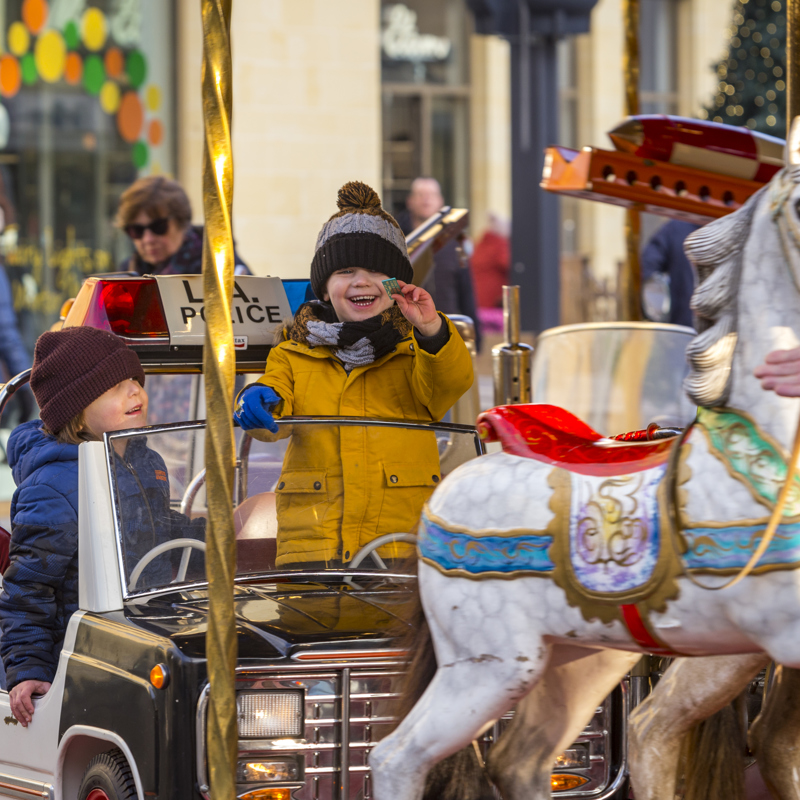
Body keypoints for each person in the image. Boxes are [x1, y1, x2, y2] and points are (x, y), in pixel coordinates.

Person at [234, 181, 473, 567]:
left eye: (376, 270)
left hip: (399, 546)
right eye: (345, 270)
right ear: (325, 289)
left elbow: (449, 385)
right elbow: (273, 415)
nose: (361, 281)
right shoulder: (293, 352)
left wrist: (432, 330)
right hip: (313, 549)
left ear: (397, 284)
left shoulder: (413, 347)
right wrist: (260, 398)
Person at [0, 326, 203, 726]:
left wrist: (213, 539)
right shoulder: (54, 486)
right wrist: (30, 668)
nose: (135, 393)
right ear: (77, 411)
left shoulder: (146, 462)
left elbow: (158, 532)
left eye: (135, 381)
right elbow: (29, 587)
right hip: (82, 653)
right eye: (115, 387)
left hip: (146, 631)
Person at [398, 177, 481, 349]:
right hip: (406, 335)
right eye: (420, 194)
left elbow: (466, 291)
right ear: (410, 201)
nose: (426, 199)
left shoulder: (454, 245)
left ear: (440, 202)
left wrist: (476, 337)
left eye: (432, 195)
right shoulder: (397, 241)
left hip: (447, 332)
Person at [116, 176, 250, 276]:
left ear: (181, 223)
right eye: (136, 230)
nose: (148, 239)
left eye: (159, 227)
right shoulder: (127, 273)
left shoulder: (221, 266)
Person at [640, 219, 700, 327]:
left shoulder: (676, 228)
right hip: (685, 326)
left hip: (684, 329)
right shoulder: (676, 229)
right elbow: (647, 267)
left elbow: (647, 267)